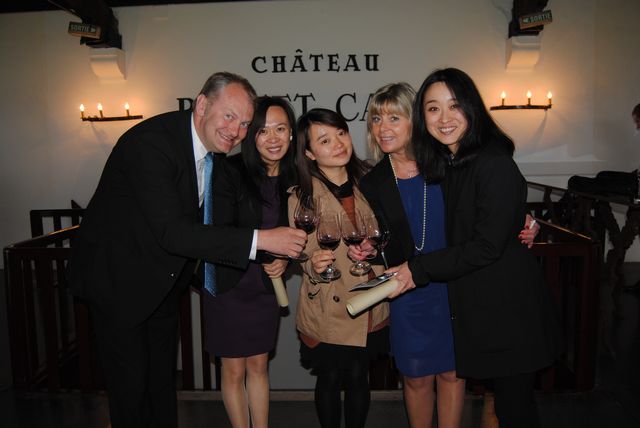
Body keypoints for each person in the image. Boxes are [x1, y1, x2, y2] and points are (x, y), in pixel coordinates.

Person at [67, 72, 307, 428]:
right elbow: (173, 232)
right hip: (119, 283)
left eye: (244, 124)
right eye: (229, 116)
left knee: (161, 385)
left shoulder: (214, 155)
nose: (236, 131)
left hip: (163, 283)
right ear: (202, 104)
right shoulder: (151, 144)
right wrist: (262, 240)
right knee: (130, 390)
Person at [351, 83, 539, 428]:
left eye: (394, 117)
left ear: (415, 121)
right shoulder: (372, 182)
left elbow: (491, 208)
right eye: (376, 119)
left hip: (458, 287)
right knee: (416, 378)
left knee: (454, 375)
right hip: (409, 292)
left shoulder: (449, 164)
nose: (383, 128)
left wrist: (525, 220)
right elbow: (380, 239)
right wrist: (368, 248)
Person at [289, 108, 389, 428]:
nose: (338, 144)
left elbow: (390, 232)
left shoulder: (372, 182)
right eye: (324, 140)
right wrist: (312, 261)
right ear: (309, 153)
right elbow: (299, 251)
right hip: (328, 302)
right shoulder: (301, 196)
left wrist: (376, 247)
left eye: (341, 134)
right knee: (330, 377)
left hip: (368, 296)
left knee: (360, 376)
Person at [202, 96, 298, 428]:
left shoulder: (295, 177)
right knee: (233, 369)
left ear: (291, 133)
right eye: (263, 130)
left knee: (259, 365)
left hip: (265, 288)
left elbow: (298, 233)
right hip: (229, 283)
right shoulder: (228, 171)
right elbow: (219, 232)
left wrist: (285, 260)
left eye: (281, 129)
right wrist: (269, 246)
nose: (273, 138)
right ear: (250, 134)